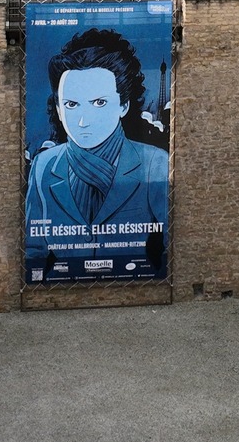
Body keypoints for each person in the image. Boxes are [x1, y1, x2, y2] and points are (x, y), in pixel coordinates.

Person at [26, 29, 168, 278]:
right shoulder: (43, 167)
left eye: (99, 103)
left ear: (123, 105)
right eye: (71, 104)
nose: (83, 121)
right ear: (59, 109)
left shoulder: (154, 163)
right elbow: (33, 249)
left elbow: (171, 241)